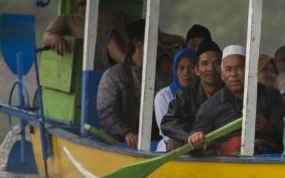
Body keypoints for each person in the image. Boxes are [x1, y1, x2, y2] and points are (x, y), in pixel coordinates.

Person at [188, 45, 285, 155]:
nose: (233, 74)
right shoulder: (210, 106)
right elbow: (194, 140)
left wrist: (267, 126)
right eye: (228, 69)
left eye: (239, 68)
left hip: (269, 162)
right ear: (222, 74)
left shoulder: (270, 95)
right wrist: (196, 138)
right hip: (227, 166)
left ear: (250, 70)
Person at [96, 19, 166, 148]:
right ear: (137, 43)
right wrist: (126, 132)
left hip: (156, 145)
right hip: (121, 144)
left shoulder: (162, 76)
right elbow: (106, 113)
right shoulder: (113, 75)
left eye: (159, 39)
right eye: (155, 39)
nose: (159, 44)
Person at [43, 0, 129, 70]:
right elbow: (46, 36)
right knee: (109, 38)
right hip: (94, 69)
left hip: (124, 67)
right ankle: (130, 64)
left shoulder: (115, 14)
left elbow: (140, 31)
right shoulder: (66, 20)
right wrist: (54, 38)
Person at [160, 39, 224, 151]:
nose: (211, 68)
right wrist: (190, 137)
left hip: (223, 147)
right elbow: (168, 123)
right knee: (173, 144)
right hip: (195, 149)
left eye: (217, 63)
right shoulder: (185, 95)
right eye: (205, 64)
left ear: (223, 68)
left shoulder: (231, 92)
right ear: (197, 70)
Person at [154, 48, 197, 152]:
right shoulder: (163, 96)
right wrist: (190, 138)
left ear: (198, 69)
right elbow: (167, 133)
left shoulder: (202, 93)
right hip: (171, 149)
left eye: (190, 67)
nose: (186, 72)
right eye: (181, 68)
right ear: (175, 71)